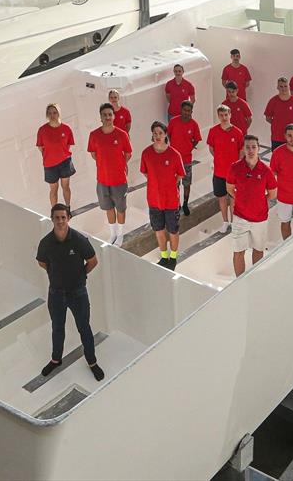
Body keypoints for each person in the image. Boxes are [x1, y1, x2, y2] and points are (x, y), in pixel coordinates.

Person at [36, 204, 103, 381]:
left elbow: (93, 261)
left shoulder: (79, 240)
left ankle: (92, 361)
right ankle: (56, 359)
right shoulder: (46, 243)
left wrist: (80, 275)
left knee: (84, 328)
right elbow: (42, 262)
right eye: (57, 217)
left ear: (68, 218)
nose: (60, 221)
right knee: (57, 328)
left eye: (63, 217)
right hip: (56, 294)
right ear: (52, 219)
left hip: (78, 293)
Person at [226, 135, 277, 277]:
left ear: (259, 149)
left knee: (258, 250)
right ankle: (239, 282)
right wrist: (241, 199)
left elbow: (272, 194)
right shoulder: (235, 167)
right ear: (243, 149)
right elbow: (229, 188)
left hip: (260, 219)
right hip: (240, 217)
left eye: (253, 147)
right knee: (238, 251)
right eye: (247, 147)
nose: (250, 150)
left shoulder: (266, 171)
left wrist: (259, 200)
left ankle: (255, 279)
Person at [140, 122, 186, 269]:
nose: (157, 136)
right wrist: (156, 183)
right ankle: (164, 256)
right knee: (159, 230)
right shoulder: (146, 153)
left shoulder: (174, 154)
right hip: (154, 200)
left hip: (171, 200)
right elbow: (145, 172)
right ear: (152, 135)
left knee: (173, 230)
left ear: (165, 134)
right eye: (155, 133)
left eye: (160, 133)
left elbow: (180, 174)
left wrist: (168, 184)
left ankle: (173, 257)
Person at [87, 103, 133, 246]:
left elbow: (128, 153)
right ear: (100, 117)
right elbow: (93, 153)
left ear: (113, 116)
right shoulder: (94, 135)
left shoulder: (122, 134)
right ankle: (112, 234)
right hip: (102, 180)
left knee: (120, 208)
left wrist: (119, 164)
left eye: (109, 114)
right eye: (104, 115)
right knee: (108, 208)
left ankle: (120, 235)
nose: (107, 117)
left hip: (119, 179)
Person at [207, 105, 244, 233]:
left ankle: (234, 223)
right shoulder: (213, 131)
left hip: (233, 174)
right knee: (222, 198)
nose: (224, 117)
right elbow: (211, 148)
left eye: (226, 115)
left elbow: (241, 150)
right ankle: (225, 222)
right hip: (219, 172)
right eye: (221, 115)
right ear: (218, 116)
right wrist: (219, 158)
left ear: (230, 115)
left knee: (233, 199)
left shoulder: (237, 132)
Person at [36, 103, 75, 208]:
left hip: (65, 162)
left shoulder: (66, 129)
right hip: (49, 164)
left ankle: (68, 207)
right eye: (50, 113)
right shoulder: (42, 130)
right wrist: (50, 155)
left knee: (65, 186)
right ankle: (54, 210)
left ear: (59, 113)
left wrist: (61, 154)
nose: (52, 115)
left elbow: (68, 145)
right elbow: (40, 147)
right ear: (47, 115)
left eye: (54, 112)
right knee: (54, 189)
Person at [167, 100, 202, 216]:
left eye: (189, 111)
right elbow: (169, 135)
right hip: (174, 160)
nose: (186, 112)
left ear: (191, 112)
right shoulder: (173, 122)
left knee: (186, 183)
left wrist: (189, 147)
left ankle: (185, 203)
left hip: (186, 160)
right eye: (184, 110)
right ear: (181, 110)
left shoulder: (194, 124)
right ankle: (177, 205)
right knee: (175, 184)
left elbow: (197, 139)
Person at [264, 77, 293, 150]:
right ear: (277, 87)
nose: (283, 88)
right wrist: (277, 124)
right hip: (277, 137)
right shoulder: (273, 101)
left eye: (285, 86)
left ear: (288, 87)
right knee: (277, 159)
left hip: (292, 138)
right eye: (281, 86)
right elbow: (268, 118)